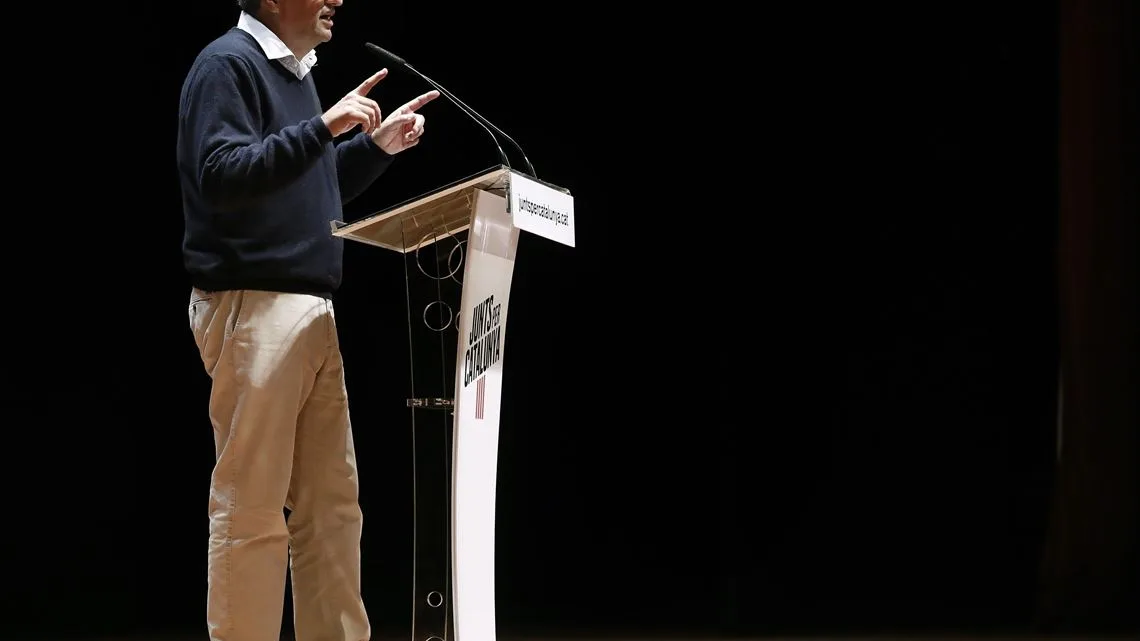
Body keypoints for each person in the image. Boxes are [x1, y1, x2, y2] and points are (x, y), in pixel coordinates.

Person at [177, 1, 439, 639]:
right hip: (254, 308)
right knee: (253, 510)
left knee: (331, 511)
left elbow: (306, 184)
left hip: (311, 312)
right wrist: (322, 129)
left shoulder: (295, 73)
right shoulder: (226, 66)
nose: (337, 0)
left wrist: (370, 148)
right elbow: (221, 175)